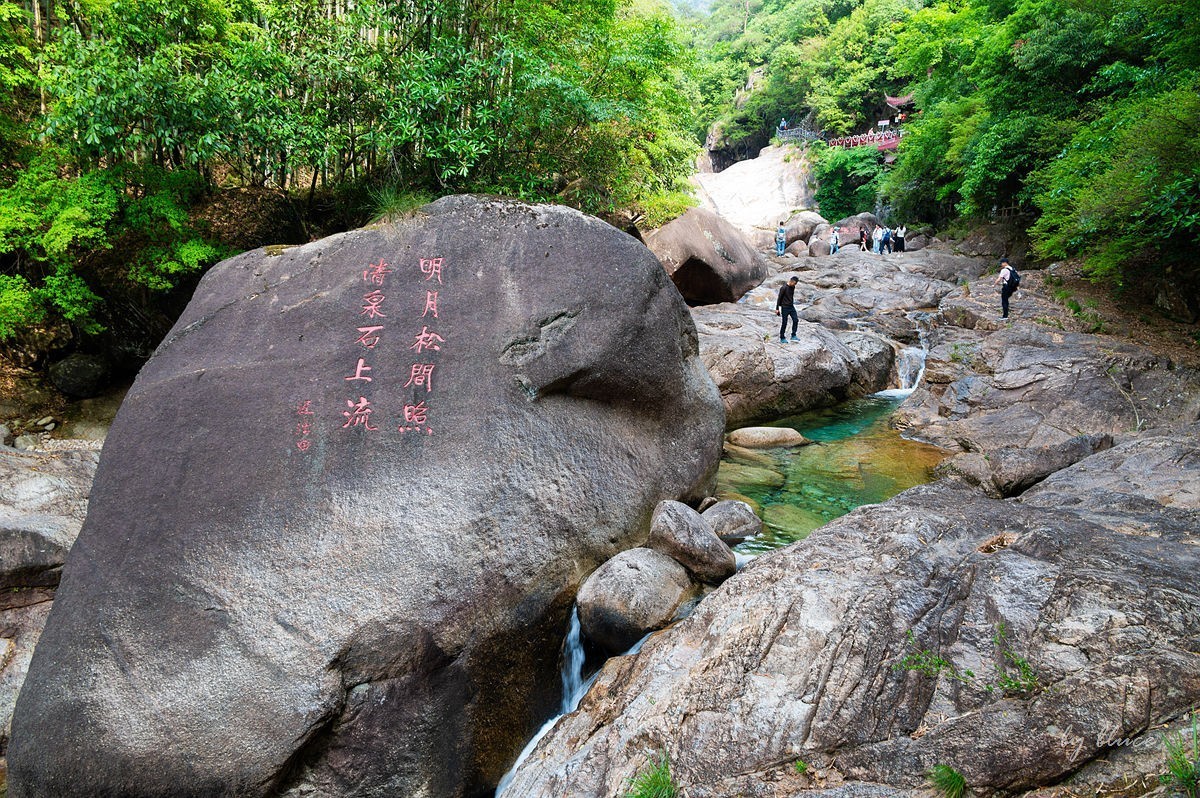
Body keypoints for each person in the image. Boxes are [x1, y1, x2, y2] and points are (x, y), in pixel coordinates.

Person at [776, 276, 800, 343]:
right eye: (794, 283)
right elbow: (779, 298)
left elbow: (790, 296)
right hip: (785, 307)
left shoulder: (793, 287)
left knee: (796, 320)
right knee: (784, 323)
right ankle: (782, 337)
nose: (795, 285)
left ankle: (793, 335)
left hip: (791, 307)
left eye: (796, 284)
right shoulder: (783, 288)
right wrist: (777, 308)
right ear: (791, 281)